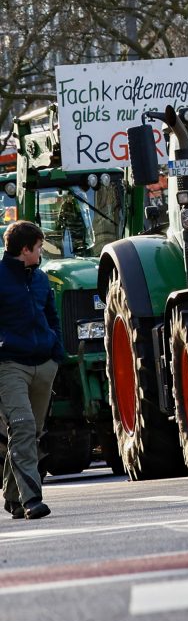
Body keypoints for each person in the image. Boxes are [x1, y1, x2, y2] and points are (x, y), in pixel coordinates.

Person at [0, 221, 62, 520]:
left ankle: (12, 498)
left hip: (43, 363)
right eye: (38, 247)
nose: (41, 252)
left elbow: (52, 316)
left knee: (31, 433)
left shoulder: (40, 279)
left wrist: (56, 352)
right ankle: (31, 500)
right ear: (25, 250)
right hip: (10, 365)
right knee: (22, 426)